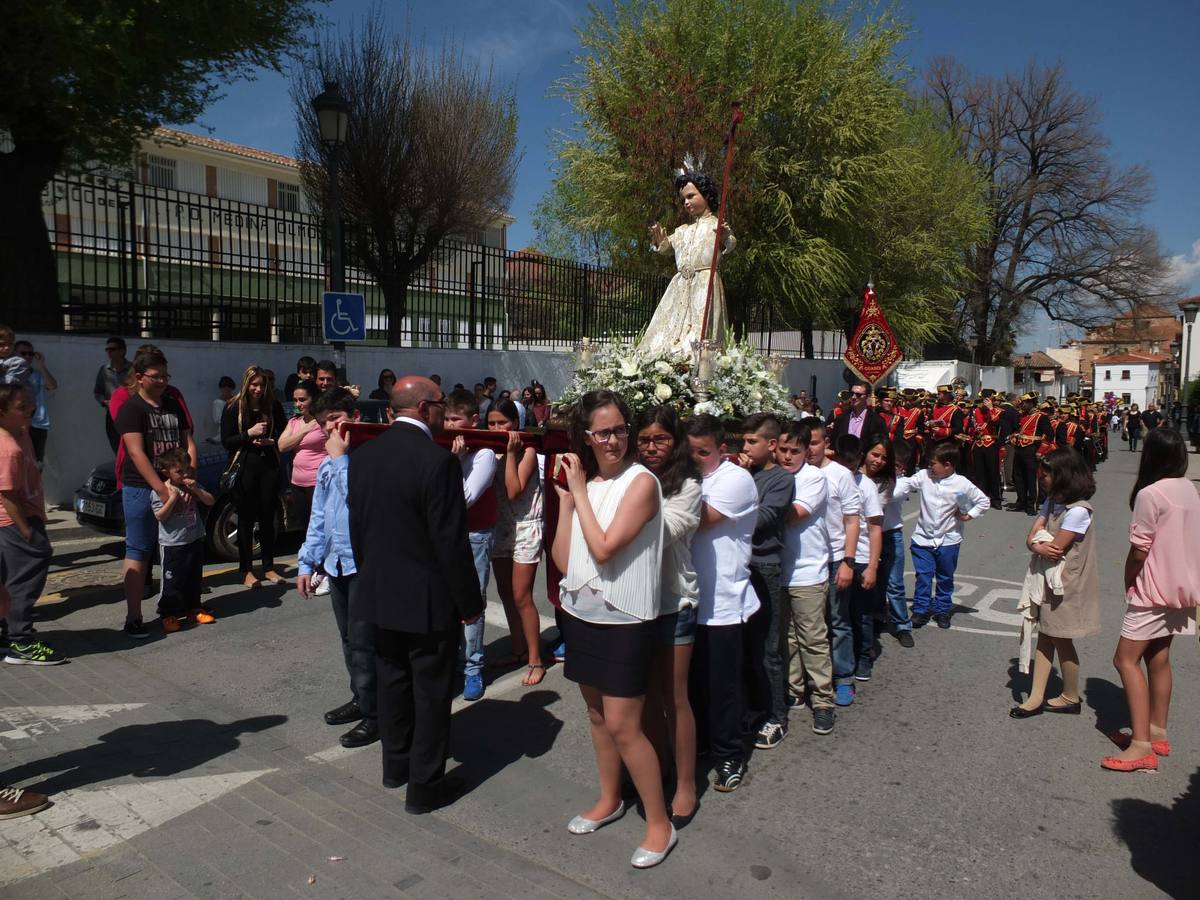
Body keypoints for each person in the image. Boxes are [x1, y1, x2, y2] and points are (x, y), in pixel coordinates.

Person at [347, 376, 483, 814]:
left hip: (379, 591)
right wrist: (469, 602)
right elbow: (450, 541)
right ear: (425, 408)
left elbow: (359, 529)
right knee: (430, 692)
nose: (445, 413)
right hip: (426, 599)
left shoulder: (364, 456)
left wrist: (371, 577)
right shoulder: (437, 461)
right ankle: (425, 786)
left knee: (392, 682)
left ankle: (396, 765)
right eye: (441, 405)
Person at [552, 390, 675, 868]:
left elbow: (604, 550)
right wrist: (566, 504)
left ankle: (659, 824)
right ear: (586, 437)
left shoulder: (640, 483)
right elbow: (566, 562)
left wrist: (579, 492)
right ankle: (609, 799)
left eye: (620, 429)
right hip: (582, 614)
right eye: (603, 431)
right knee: (598, 717)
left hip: (625, 620)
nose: (614, 440)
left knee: (626, 725)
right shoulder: (589, 488)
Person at [1102, 428, 1200, 772]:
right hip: (1183, 589)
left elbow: (1139, 550)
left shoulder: (1150, 493)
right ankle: (1157, 731)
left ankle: (1142, 745)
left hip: (1153, 588)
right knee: (1158, 657)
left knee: (1124, 660)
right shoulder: (1189, 488)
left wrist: (1128, 579)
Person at [298, 387, 379, 750]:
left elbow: (362, 504)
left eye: (335, 419)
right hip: (337, 563)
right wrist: (307, 560)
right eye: (323, 423)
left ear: (354, 416)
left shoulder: (370, 456)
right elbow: (320, 516)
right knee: (348, 639)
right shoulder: (329, 461)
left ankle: (375, 714)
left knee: (366, 642)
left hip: (365, 564)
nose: (330, 428)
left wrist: (341, 460)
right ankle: (361, 697)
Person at [635, 405, 701, 826]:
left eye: (660, 439)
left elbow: (663, 532)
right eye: (644, 440)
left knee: (675, 698)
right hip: (634, 604)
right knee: (643, 697)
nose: (652, 447)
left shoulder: (689, 485)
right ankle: (655, 769)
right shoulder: (630, 477)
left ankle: (687, 783)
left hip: (673, 601)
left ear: (675, 442)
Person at [686, 415, 759, 792]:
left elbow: (698, 519)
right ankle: (700, 742)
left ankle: (730, 752)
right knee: (692, 683)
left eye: (704, 452)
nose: (696, 458)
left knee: (723, 686)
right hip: (688, 597)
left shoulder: (735, 479)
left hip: (724, 602)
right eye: (690, 451)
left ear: (721, 450)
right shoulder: (690, 479)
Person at [1010, 449, 1099, 719]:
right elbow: (1033, 536)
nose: (1042, 478)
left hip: (1066, 582)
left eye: (1046, 473)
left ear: (1063, 475)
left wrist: (1037, 544)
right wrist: (1037, 544)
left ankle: (1067, 696)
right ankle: (1041, 696)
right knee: (1048, 635)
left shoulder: (1079, 511)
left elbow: (1056, 547)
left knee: (1059, 637)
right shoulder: (1052, 501)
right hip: (1049, 578)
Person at [115, 349, 197, 638]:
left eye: (166, 376)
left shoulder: (173, 404)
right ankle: (134, 616)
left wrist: (189, 478)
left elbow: (189, 443)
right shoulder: (132, 409)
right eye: (156, 376)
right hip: (140, 488)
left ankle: (179, 607)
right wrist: (163, 491)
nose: (163, 381)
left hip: (176, 486)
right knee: (139, 549)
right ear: (139, 377)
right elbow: (136, 454)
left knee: (181, 547)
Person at [737, 413, 795, 750]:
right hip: (739, 568)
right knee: (744, 646)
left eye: (752, 441)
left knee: (769, 649)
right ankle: (754, 705)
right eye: (744, 440)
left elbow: (762, 520)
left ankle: (778, 715)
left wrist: (740, 485)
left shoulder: (781, 480)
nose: (745, 447)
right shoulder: (743, 474)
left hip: (765, 568)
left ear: (772, 445)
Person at [777, 420, 835, 735]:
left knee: (812, 638)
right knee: (787, 638)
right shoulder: (773, 476)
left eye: (794, 451)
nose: (788, 457)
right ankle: (794, 689)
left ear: (806, 452)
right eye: (782, 450)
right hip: (779, 570)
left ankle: (823, 699)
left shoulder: (814, 478)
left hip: (807, 571)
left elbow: (792, 514)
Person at [893, 442, 989, 630]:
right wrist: (889, 484)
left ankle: (942, 610)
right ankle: (920, 610)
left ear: (948, 465)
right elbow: (907, 483)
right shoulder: (924, 476)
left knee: (945, 577)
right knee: (923, 576)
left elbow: (983, 501)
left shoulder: (962, 483)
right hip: (923, 539)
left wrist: (967, 516)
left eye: (933, 464)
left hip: (948, 539)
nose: (930, 467)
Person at [0, 383, 64, 665]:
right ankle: (20, 642)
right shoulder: (8, 447)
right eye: (21, 406)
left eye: (30, 402)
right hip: (14, 521)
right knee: (23, 581)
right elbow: (7, 494)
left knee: (9, 580)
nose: (31, 408)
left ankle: (7, 636)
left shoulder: (21, 433)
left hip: (18, 518)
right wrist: (26, 529)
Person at [641, 169, 736, 354]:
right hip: (679, 287)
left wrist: (725, 237)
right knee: (667, 332)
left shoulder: (716, 225)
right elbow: (668, 248)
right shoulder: (682, 230)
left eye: (691, 196)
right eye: (683, 199)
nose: (686, 202)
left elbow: (731, 242)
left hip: (704, 284)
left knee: (699, 333)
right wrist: (660, 240)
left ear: (706, 195)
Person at [486, 399, 546, 685]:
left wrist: (510, 454)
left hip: (525, 527)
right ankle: (518, 649)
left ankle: (536, 660)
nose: (497, 429)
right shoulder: (488, 451)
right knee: (506, 593)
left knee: (522, 596)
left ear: (516, 424)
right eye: (492, 423)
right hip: (501, 527)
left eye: (503, 423)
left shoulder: (528, 451)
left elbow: (513, 490)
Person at [444, 390, 498, 702]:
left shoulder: (483, 454)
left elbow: (463, 499)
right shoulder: (444, 449)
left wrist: (452, 462)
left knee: (472, 602)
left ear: (472, 421)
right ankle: (453, 661)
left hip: (475, 534)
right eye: (447, 419)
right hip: (447, 536)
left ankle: (473, 667)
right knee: (447, 601)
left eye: (456, 419)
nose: (450, 425)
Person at [808, 420, 863, 706]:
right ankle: (811, 678)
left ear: (825, 442)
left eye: (815, 442)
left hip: (834, 559)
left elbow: (852, 521)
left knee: (839, 621)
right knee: (810, 625)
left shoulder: (840, 474)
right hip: (805, 562)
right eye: (804, 443)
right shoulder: (792, 471)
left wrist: (847, 562)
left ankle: (844, 677)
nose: (809, 449)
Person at [220, 366, 286, 588]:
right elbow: (226, 441)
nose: (258, 389)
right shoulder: (234, 407)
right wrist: (249, 434)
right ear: (246, 384)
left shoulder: (273, 405)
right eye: (254, 384)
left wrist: (271, 440)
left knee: (268, 518)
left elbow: (283, 434)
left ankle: (268, 567)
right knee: (246, 519)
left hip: (268, 464)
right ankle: (246, 570)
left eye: (262, 385)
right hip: (245, 465)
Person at [150, 447, 216, 633]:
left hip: (193, 538)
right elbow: (159, 516)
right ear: (166, 472)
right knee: (173, 580)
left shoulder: (191, 486)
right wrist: (172, 499)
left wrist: (196, 490)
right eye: (179, 471)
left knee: (193, 578)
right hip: (172, 544)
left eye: (187, 469)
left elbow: (210, 501)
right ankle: (168, 613)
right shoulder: (161, 490)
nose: (185, 474)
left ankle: (193, 608)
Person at [838, 435, 883, 685]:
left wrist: (873, 566)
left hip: (862, 557)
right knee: (839, 615)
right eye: (845, 462)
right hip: (837, 555)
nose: (849, 468)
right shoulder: (830, 476)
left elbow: (875, 527)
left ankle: (863, 656)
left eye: (853, 462)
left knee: (861, 613)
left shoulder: (865, 485)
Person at [874, 439, 913, 646]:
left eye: (895, 465)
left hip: (891, 534)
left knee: (894, 583)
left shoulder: (902, 483)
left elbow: (887, 496)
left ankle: (901, 625)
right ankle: (877, 616)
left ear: (901, 467)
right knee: (875, 581)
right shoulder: (874, 478)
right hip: (871, 535)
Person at [278, 379, 324, 538]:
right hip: (297, 482)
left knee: (319, 527)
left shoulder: (323, 421)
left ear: (314, 399)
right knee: (305, 527)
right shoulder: (293, 422)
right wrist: (305, 430)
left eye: (303, 399)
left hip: (317, 482)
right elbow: (282, 445)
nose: (298, 404)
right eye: (295, 400)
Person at [13, 341, 56, 465]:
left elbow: (52, 386)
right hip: (15, 424)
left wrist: (41, 365)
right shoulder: (8, 374)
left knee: (36, 464)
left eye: (30, 354)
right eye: (23, 353)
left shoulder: (37, 374)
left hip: (37, 425)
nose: (27, 356)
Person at [94, 336, 131, 453]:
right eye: (107, 350)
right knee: (117, 449)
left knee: (131, 447)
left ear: (122, 351)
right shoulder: (104, 370)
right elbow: (98, 391)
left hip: (130, 414)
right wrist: (104, 402)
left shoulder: (133, 369)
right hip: (112, 416)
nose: (109, 352)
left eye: (112, 349)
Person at [828, 381, 889, 445]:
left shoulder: (877, 421)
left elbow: (883, 445)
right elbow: (834, 442)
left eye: (858, 395)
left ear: (867, 397)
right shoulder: (840, 418)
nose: (854, 397)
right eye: (852, 393)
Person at [208, 376, 236, 445]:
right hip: (225, 431)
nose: (226, 390)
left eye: (229, 387)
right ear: (220, 388)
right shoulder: (217, 402)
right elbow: (217, 420)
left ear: (232, 388)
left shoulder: (237, 400)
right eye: (224, 387)